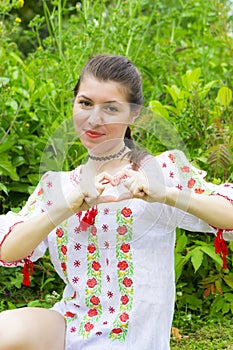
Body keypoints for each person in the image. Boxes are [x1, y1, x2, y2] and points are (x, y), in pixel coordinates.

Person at [0, 54, 233, 350]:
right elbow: (9, 251)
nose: (93, 120)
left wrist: (166, 194)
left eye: (111, 108)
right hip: (71, 328)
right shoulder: (57, 186)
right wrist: (69, 206)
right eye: (85, 103)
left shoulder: (161, 171)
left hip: (136, 341)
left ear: (133, 115)